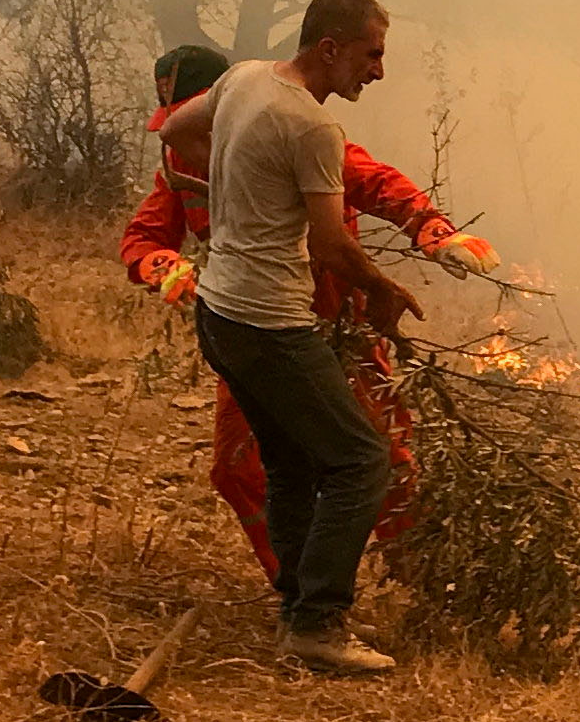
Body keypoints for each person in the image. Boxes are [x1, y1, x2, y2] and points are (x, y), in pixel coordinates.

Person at [117, 40, 499, 584]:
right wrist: (162, 266)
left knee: (383, 455)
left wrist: (433, 232)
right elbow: (143, 236)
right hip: (256, 322)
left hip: (338, 321)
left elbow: (374, 180)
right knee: (237, 468)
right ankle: (299, 588)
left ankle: (419, 576)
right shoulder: (182, 161)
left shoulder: (290, 128)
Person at [155, 0, 427, 675]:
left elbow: (174, 132)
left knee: (291, 464)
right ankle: (318, 621)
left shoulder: (244, 78)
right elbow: (332, 246)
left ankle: (297, 606)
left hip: (218, 312)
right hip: (268, 322)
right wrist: (382, 287)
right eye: (372, 54)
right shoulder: (312, 128)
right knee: (359, 459)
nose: (379, 71)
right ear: (329, 47)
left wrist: (237, 187)